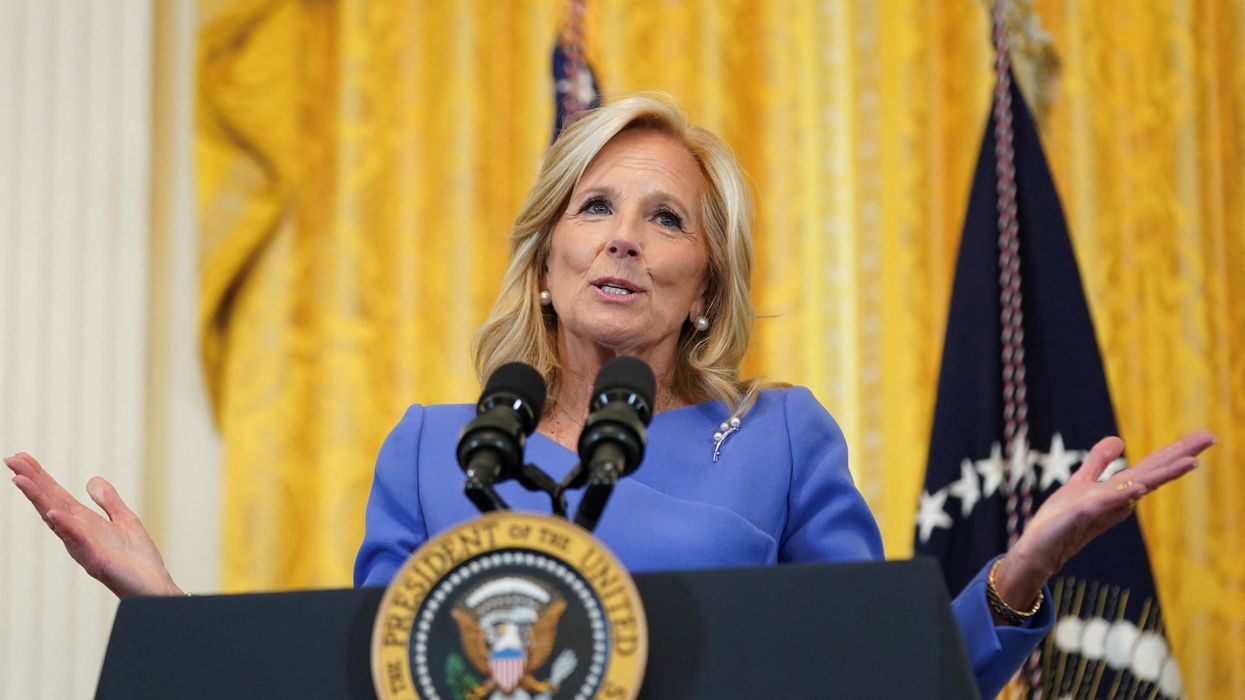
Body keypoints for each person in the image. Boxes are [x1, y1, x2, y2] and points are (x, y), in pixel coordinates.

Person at [6, 93, 1214, 699]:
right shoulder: (431, 450)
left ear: (705, 283)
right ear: (548, 257)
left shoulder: (778, 435)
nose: (626, 237)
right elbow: (374, 685)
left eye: (667, 217)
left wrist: (1019, 572)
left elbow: (880, 679)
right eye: (597, 206)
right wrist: (171, 619)